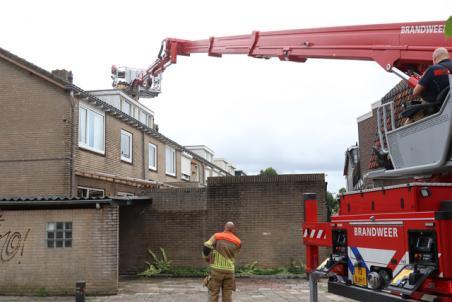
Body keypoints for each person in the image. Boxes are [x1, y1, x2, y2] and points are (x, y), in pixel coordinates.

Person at [202, 221, 241, 302]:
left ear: (225, 226)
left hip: (216, 270)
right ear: (233, 229)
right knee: (227, 294)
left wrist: (206, 258)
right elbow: (235, 254)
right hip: (229, 271)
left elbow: (206, 245)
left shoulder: (217, 236)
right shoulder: (238, 241)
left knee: (214, 293)